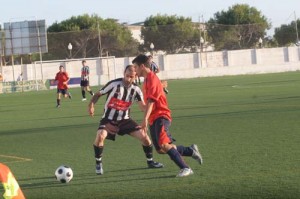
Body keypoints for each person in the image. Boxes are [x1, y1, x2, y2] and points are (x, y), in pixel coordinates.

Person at [132, 54, 203, 177]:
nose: (135, 70)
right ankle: (190, 151)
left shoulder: (152, 79)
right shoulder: (146, 81)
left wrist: (144, 120)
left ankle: (185, 168)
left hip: (161, 116)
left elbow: (151, 102)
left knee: (164, 145)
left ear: (142, 66)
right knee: (160, 149)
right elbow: (146, 105)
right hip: (154, 118)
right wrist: (137, 100)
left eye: (136, 67)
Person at [88, 64, 163, 175]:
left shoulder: (136, 89)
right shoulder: (114, 84)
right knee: (100, 136)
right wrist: (91, 105)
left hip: (125, 120)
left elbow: (142, 106)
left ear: (135, 76)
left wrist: (152, 103)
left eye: (131, 77)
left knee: (145, 138)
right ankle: (98, 163)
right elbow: (98, 94)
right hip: (108, 119)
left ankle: (150, 162)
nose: (128, 79)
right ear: (124, 73)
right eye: (127, 76)